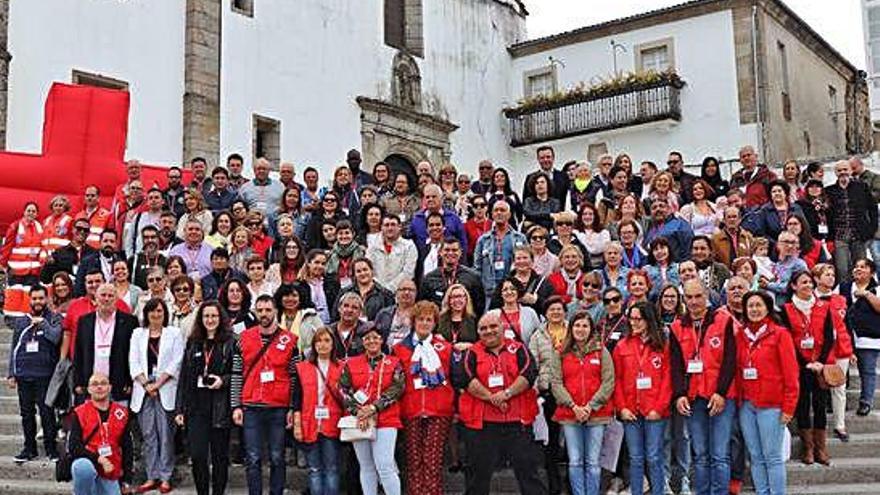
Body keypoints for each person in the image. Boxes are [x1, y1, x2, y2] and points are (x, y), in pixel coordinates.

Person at [452, 312, 547, 495]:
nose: (488, 331)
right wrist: (492, 398)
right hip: (483, 425)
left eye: (493, 326)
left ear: (503, 327)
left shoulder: (519, 349)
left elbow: (528, 374)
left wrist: (506, 394)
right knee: (477, 477)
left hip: (517, 422)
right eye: (483, 328)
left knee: (529, 474)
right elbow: (466, 378)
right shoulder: (471, 353)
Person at [669, 279, 737, 495]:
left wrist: (721, 393)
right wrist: (679, 394)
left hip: (720, 396)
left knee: (719, 454)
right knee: (699, 454)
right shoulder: (677, 326)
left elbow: (730, 360)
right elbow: (676, 365)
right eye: (689, 297)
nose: (694, 301)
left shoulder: (723, 320)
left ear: (707, 295)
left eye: (698, 296)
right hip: (693, 396)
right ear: (683, 298)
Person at [231, 294, 299, 495]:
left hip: (278, 407)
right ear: (254, 312)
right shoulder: (243, 339)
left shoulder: (290, 341)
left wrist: (292, 408)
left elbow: (296, 378)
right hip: (251, 406)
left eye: (268, 310)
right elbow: (236, 373)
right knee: (252, 458)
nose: (264, 314)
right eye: (260, 310)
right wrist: (236, 405)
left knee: (277, 457)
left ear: (276, 311)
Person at [736, 290, 799, 495]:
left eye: (758, 305)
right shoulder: (740, 335)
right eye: (750, 306)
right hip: (747, 405)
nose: (754, 309)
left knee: (772, 457)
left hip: (772, 405)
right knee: (755, 456)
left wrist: (789, 407)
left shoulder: (780, 334)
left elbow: (791, 374)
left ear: (767, 308)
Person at [392, 301, 455, 495]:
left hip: (439, 409)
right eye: (421, 319)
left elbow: (454, 377)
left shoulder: (445, 347)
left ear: (435, 323)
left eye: (429, 319)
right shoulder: (399, 349)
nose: (425, 323)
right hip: (410, 409)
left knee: (432, 460)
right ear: (413, 321)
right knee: (413, 461)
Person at [551, 310, 615, 495]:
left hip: (596, 414)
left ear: (591, 329)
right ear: (571, 328)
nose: (581, 329)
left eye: (585, 325)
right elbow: (556, 382)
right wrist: (573, 406)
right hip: (570, 414)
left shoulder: (601, 351)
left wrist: (590, 406)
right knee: (576, 461)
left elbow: (608, 381)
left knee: (593, 462)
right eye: (577, 325)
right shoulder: (561, 352)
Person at [175, 301, 236, 495]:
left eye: (214, 316)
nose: (210, 320)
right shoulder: (193, 342)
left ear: (221, 318)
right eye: (206, 316)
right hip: (196, 409)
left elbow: (237, 374)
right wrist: (180, 409)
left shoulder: (231, 342)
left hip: (220, 408)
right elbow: (184, 377)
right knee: (198, 455)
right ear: (200, 319)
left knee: (219, 457)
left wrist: (223, 381)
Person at [339, 325, 405, 495]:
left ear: (382, 340)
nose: (372, 341)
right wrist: (357, 411)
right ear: (362, 342)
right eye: (367, 338)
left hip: (386, 419)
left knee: (385, 465)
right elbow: (343, 389)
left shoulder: (394, 362)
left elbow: (397, 388)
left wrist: (374, 407)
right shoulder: (351, 363)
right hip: (360, 420)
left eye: (375, 337)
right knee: (366, 465)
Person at [613, 302, 672, 495]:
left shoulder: (662, 345)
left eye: (638, 319)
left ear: (648, 319)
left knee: (654, 457)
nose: (634, 322)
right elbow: (617, 380)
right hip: (631, 411)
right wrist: (622, 408)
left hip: (655, 411)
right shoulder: (622, 346)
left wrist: (659, 408)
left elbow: (667, 379)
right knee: (636, 458)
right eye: (631, 318)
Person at [781, 271, 838, 465]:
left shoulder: (824, 306)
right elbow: (787, 339)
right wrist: (804, 363)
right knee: (803, 406)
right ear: (794, 286)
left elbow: (830, 336)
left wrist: (820, 361)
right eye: (803, 282)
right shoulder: (786, 310)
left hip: (820, 366)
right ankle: (808, 448)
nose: (808, 285)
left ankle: (821, 448)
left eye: (809, 282)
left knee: (820, 406)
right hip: (799, 365)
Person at [129, 298, 185, 493]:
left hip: (166, 388)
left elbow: (177, 361)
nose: (155, 315)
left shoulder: (174, 333)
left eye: (159, 311)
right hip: (144, 391)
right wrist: (146, 384)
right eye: (152, 311)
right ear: (146, 314)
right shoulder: (138, 334)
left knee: (166, 435)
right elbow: (133, 362)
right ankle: (151, 476)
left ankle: (166, 477)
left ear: (165, 313)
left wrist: (158, 384)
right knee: (149, 435)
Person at [7, 286, 62, 462]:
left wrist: (43, 324)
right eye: (34, 299)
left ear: (47, 299)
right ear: (29, 300)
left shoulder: (54, 318)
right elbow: (14, 347)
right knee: (26, 413)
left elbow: (55, 338)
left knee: (47, 412)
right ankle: (29, 448)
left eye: (41, 298)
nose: (37, 302)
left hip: (44, 374)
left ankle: (51, 449)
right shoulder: (22, 321)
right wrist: (11, 373)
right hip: (24, 374)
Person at [292, 327, 344, 495]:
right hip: (309, 422)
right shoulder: (302, 367)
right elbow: (297, 399)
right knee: (314, 469)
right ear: (313, 345)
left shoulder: (342, 367)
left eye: (327, 340)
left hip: (333, 422)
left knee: (332, 468)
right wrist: (297, 425)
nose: (322, 345)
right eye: (319, 341)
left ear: (333, 344)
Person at [69, 372, 134, 495]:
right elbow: (74, 447)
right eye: (95, 384)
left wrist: (126, 480)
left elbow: (127, 448)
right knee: (82, 467)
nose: (99, 387)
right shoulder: (80, 412)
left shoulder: (121, 413)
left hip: (111, 471)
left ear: (110, 387)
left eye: (103, 383)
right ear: (89, 389)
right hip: (89, 464)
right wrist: (100, 459)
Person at [529, 296, 569, 495]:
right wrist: (537, 389)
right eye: (552, 309)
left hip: (572, 393)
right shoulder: (538, 335)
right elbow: (532, 365)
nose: (556, 312)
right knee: (551, 442)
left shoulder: (574, 329)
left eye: (559, 309)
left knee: (572, 441)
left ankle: (572, 484)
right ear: (545, 313)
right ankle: (554, 485)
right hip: (548, 393)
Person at [73, 283, 138, 403]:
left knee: (118, 420)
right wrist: (78, 382)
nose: (106, 299)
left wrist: (130, 381)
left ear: (116, 299)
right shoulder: (84, 321)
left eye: (110, 295)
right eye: (103, 295)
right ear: (96, 298)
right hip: (91, 386)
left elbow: (134, 355)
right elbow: (78, 353)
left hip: (119, 385)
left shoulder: (130, 322)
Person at [812, 263, 854, 441]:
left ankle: (840, 425)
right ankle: (816, 426)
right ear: (816, 278)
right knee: (818, 388)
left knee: (839, 388)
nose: (831, 277)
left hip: (841, 348)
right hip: (819, 350)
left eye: (832, 274)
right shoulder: (810, 298)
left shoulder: (840, 299)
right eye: (826, 274)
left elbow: (847, 325)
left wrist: (852, 351)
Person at [826, 159, 878, 283]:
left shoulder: (861, 187)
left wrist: (871, 229)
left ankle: (864, 294)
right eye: (839, 170)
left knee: (861, 268)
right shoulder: (829, 191)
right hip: (839, 235)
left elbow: (873, 209)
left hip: (859, 234)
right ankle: (846, 297)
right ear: (835, 173)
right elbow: (826, 214)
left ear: (850, 170)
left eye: (845, 169)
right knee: (842, 268)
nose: (842, 172)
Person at [839, 258, 880, 416]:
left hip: (869, 337)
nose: (858, 269)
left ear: (872, 272)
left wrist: (866, 294)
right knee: (842, 370)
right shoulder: (843, 287)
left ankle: (866, 402)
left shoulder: (876, 289)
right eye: (856, 266)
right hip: (845, 336)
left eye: (863, 267)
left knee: (867, 371)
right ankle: (837, 402)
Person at [473, 200, 527, 305]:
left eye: (502, 210)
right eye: (496, 210)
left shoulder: (520, 238)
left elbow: (527, 264)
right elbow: (477, 268)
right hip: (489, 292)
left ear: (509, 214)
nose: (499, 213)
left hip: (513, 292)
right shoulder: (483, 240)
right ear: (491, 214)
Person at [1, 202, 46, 318]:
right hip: (16, 269)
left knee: (29, 295)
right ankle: (11, 318)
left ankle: (27, 318)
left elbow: (43, 245)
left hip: (33, 270)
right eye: (29, 210)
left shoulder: (40, 228)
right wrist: (3, 264)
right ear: (24, 212)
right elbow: (7, 246)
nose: (31, 213)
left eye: (33, 211)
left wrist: (42, 256)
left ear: (37, 214)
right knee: (14, 294)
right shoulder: (15, 226)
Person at [419, 237, 485, 314]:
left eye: (454, 250)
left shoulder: (472, 277)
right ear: (440, 252)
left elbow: (479, 307)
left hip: (465, 323)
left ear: (460, 253)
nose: (450, 253)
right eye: (447, 250)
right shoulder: (429, 278)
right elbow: (424, 306)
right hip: (439, 323)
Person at [366, 214, 417, 292]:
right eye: (386, 225)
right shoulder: (373, 246)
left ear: (399, 227)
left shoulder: (409, 246)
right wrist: (378, 288)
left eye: (393, 225)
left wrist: (389, 289)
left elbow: (408, 272)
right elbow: (368, 269)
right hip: (375, 291)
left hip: (399, 292)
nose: (390, 228)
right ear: (381, 228)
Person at [41, 217, 95, 285]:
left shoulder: (94, 253)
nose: (82, 232)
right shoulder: (59, 253)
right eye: (79, 228)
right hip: (66, 292)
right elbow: (45, 279)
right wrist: (48, 265)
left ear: (89, 233)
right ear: (73, 229)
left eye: (86, 230)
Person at [760, 231, 807, 306]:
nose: (790, 246)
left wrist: (769, 285)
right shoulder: (774, 263)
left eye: (793, 243)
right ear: (778, 244)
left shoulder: (799, 265)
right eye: (786, 242)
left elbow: (793, 287)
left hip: (790, 306)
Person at [642, 196, 693, 263]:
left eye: (661, 206)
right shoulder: (650, 229)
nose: (658, 209)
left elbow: (688, 248)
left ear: (669, 209)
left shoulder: (680, 224)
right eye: (654, 208)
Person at [522, 145, 570, 209]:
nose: (545, 160)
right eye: (542, 158)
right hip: (537, 217)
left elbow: (566, 198)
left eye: (548, 157)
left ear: (553, 158)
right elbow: (525, 202)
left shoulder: (563, 176)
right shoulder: (530, 178)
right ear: (538, 159)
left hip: (559, 217)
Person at [126, 225, 167, 291]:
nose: (150, 240)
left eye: (153, 237)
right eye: (146, 238)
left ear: (158, 239)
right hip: (140, 298)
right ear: (142, 240)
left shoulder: (165, 260)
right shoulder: (133, 260)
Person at [76, 184, 113, 250]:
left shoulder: (107, 215)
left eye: (92, 196)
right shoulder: (78, 216)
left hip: (97, 251)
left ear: (98, 198)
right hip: (81, 251)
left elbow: (110, 237)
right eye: (87, 195)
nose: (89, 198)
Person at [41, 194, 74, 259]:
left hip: (61, 257)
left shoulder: (69, 221)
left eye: (60, 205)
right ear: (52, 207)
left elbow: (73, 240)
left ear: (65, 207)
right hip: (46, 257)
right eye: (55, 205)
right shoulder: (46, 221)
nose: (58, 207)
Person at [463, 195, 492, 263]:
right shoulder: (466, 226)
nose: (479, 208)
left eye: (482, 205)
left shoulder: (493, 225)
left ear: (486, 207)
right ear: (472, 208)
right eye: (476, 206)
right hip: (472, 260)